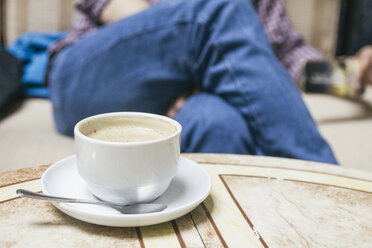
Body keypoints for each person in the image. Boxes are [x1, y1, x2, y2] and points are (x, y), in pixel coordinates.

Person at [47, 0, 338, 164]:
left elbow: (287, 49)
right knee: (218, 12)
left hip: (198, 100)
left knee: (219, 124)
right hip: (87, 80)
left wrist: (343, 74)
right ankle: (327, 183)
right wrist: (194, 65)